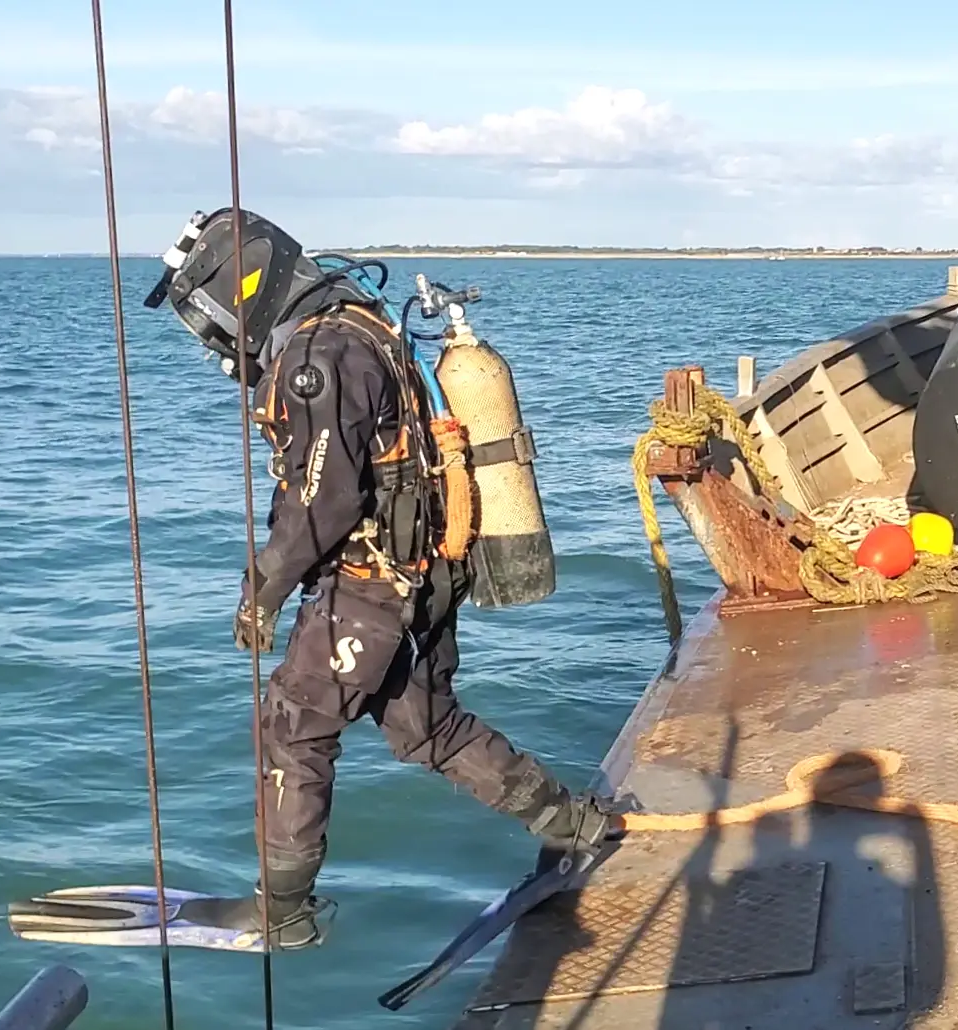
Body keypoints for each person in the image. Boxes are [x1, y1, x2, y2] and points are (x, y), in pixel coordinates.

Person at [142, 207, 618, 946]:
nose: (218, 350)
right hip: (426, 571)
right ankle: (575, 825)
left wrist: (264, 587)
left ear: (233, 292)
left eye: (210, 328)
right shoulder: (359, 328)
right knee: (426, 726)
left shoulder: (319, 356)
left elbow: (322, 497)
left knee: (293, 729)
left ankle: (284, 913)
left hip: (373, 583)